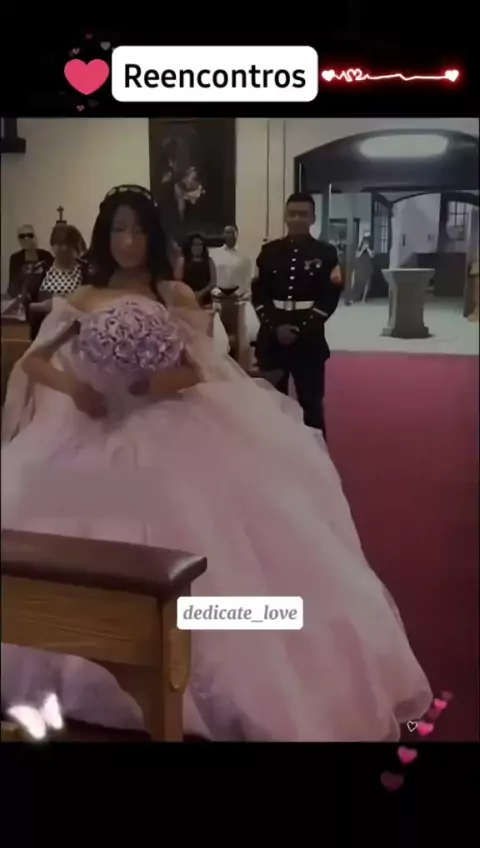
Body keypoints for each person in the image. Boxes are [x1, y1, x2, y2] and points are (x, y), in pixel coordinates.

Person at [1, 184, 432, 742]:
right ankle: (89, 655)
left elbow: (197, 369)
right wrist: (79, 390)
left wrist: (153, 383)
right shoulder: (85, 296)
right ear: (106, 236)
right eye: (119, 230)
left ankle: (198, 660)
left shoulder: (173, 292)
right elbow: (35, 362)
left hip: (170, 429)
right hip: (93, 429)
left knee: (213, 546)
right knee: (77, 543)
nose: (128, 241)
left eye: (138, 230)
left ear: (153, 236)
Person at [252, 193, 343, 439]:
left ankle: (316, 455)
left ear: (312, 218)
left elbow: (329, 298)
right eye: (292, 214)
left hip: (309, 341)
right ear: (285, 216)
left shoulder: (326, 253)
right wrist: (275, 327)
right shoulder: (269, 252)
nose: (297, 219)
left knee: (311, 405)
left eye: (303, 214)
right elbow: (259, 294)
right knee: (271, 405)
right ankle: (274, 452)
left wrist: (301, 329)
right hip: (272, 340)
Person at [21, 223, 91, 341]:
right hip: (45, 337)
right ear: (52, 246)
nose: (64, 248)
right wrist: (44, 306)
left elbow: (96, 305)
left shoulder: (87, 271)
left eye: (68, 244)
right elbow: (25, 305)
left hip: (77, 337)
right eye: (60, 244)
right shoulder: (39, 270)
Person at [210, 225, 260, 345]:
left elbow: (247, 277)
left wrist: (238, 293)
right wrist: (215, 291)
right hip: (218, 296)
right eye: (227, 232)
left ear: (237, 235)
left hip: (237, 297)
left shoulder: (244, 256)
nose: (230, 235)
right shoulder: (214, 254)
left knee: (240, 333)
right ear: (223, 234)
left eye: (232, 233)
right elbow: (210, 274)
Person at [7, 225, 53, 299]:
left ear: (34, 237)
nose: (26, 238)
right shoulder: (15, 258)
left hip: (43, 297)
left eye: (30, 235)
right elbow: (13, 283)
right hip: (23, 297)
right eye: (22, 236)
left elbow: (53, 278)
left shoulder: (46, 256)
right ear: (19, 240)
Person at [178, 233, 216, 307]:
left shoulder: (209, 261)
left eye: (200, 245)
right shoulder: (184, 261)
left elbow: (213, 283)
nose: (197, 247)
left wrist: (201, 293)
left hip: (205, 299)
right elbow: (179, 281)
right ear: (190, 246)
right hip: (187, 298)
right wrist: (190, 293)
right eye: (195, 244)